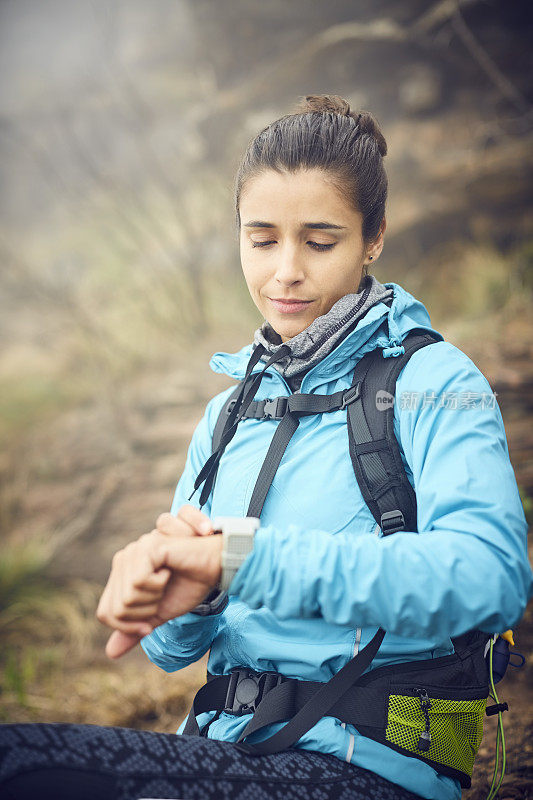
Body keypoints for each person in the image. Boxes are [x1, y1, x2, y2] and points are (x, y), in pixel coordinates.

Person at [1, 94, 531, 800]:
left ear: (373, 236)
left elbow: (490, 578)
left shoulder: (433, 380)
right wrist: (186, 595)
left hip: (373, 770)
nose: (285, 270)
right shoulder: (227, 414)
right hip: (228, 754)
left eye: (319, 241)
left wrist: (245, 558)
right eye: (260, 238)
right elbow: (169, 655)